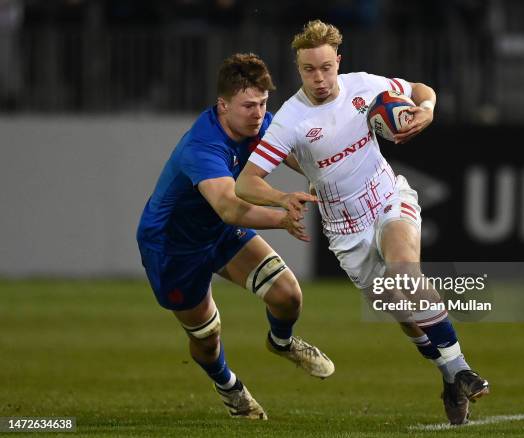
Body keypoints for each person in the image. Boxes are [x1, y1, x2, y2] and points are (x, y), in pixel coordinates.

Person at [235, 21, 489, 425]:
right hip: (345, 229)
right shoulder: (290, 120)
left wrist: (426, 111)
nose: (318, 78)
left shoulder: (365, 86)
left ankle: (461, 370)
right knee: (404, 315)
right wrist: (282, 198)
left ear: (339, 60)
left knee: (403, 269)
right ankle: (448, 376)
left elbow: (423, 91)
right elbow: (245, 183)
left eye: (325, 67)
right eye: (308, 70)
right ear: (298, 68)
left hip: (387, 196)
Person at [136, 53, 334, 421]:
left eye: (262, 104)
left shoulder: (259, 124)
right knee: (207, 339)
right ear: (223, 105)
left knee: (288, 295)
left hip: (219, 232)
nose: (257, 113)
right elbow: (230, 207)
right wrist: (282, 216)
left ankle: (283, 342)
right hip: (174, 248)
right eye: (248, 105)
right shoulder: (203, 146)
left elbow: (298, 154)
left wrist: (330, 173)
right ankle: (229, 386)